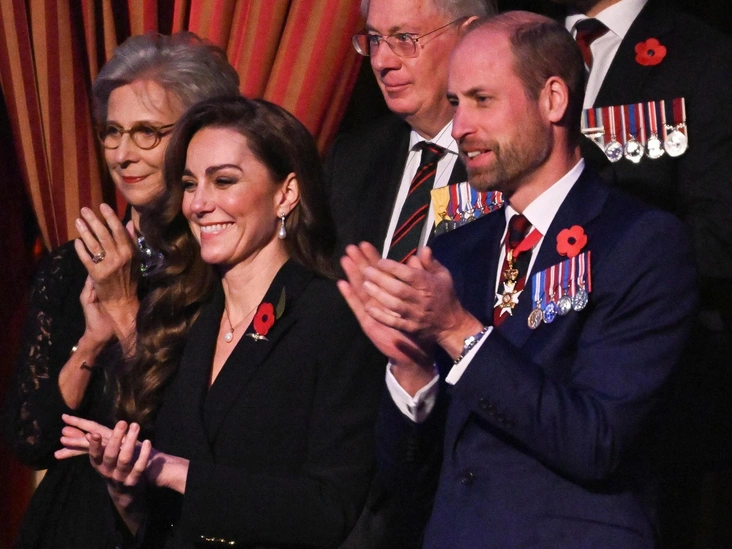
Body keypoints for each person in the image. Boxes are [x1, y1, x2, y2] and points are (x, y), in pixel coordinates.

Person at [338, 12, 697, 548]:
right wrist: (411, 371)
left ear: (553, 99)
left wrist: (457, 331)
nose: (460, 127)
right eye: (456, 103)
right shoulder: (455, 251)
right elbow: (408, 480)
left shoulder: (639, 242)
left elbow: (597, 440)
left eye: (482, 100)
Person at [58, 97, 385, 548]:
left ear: (286, 193)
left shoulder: (332, 316)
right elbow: (156, 525)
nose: (198, 204)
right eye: (189, 184)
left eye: (224, 180)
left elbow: (332, 510)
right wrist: (125, 488)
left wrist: (174, 472)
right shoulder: (182, 316)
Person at [1, 33, 240, 549]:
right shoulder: (71, 266)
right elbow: (30, 440)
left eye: (147, 133)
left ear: (198, 137)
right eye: (112, 132)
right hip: (67, 527)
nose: (123, 154)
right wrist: (91, 342)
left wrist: (124, 307)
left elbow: (190, 438)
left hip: (162, 529)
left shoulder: (223, 269)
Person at [547, 0, 732, 544]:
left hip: (652, 396)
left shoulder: (702, 56)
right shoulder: (520, 41)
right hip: (526, 375)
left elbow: (720, 234)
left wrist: (593, 278)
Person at [325, 0, 498, 262]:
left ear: (469, 37)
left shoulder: (513, 158)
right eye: (375, 39)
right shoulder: (352, 159)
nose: (380, 62)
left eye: (404, 38)